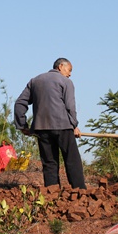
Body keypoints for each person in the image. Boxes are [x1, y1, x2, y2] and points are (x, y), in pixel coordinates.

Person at [14, 58, 86, 189]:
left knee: (49, 162)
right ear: (60, 66)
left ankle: (52, 193)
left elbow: (19, 103)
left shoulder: (35, 81)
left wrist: (22, 125)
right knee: (72, 160)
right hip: (63, 126)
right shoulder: (66, 82)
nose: (70, 74)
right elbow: (70, 106)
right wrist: (74, 125)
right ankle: (80, 192)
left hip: (41, 128)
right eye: (69, 70)